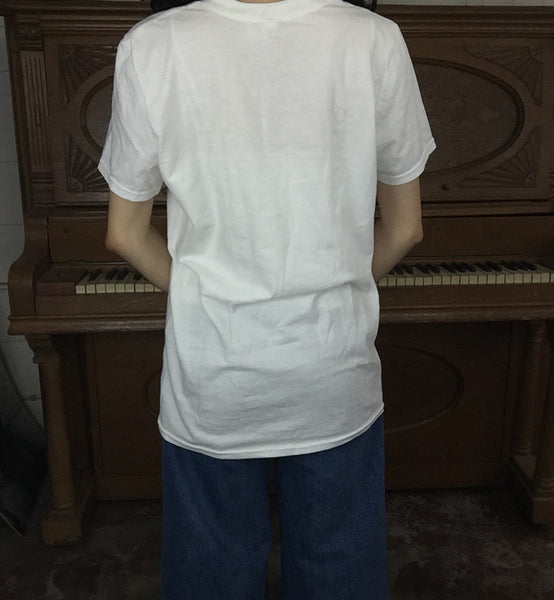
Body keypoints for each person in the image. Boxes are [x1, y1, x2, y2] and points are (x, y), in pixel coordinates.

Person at [98, 0, 435, 597]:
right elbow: (406, 228)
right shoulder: (374, 38)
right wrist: (339, 280)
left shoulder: (152, 45)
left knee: (212, 577)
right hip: (333, 376)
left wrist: (204, 292)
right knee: (339, 573)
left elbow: (123, 235)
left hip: (214, 380)